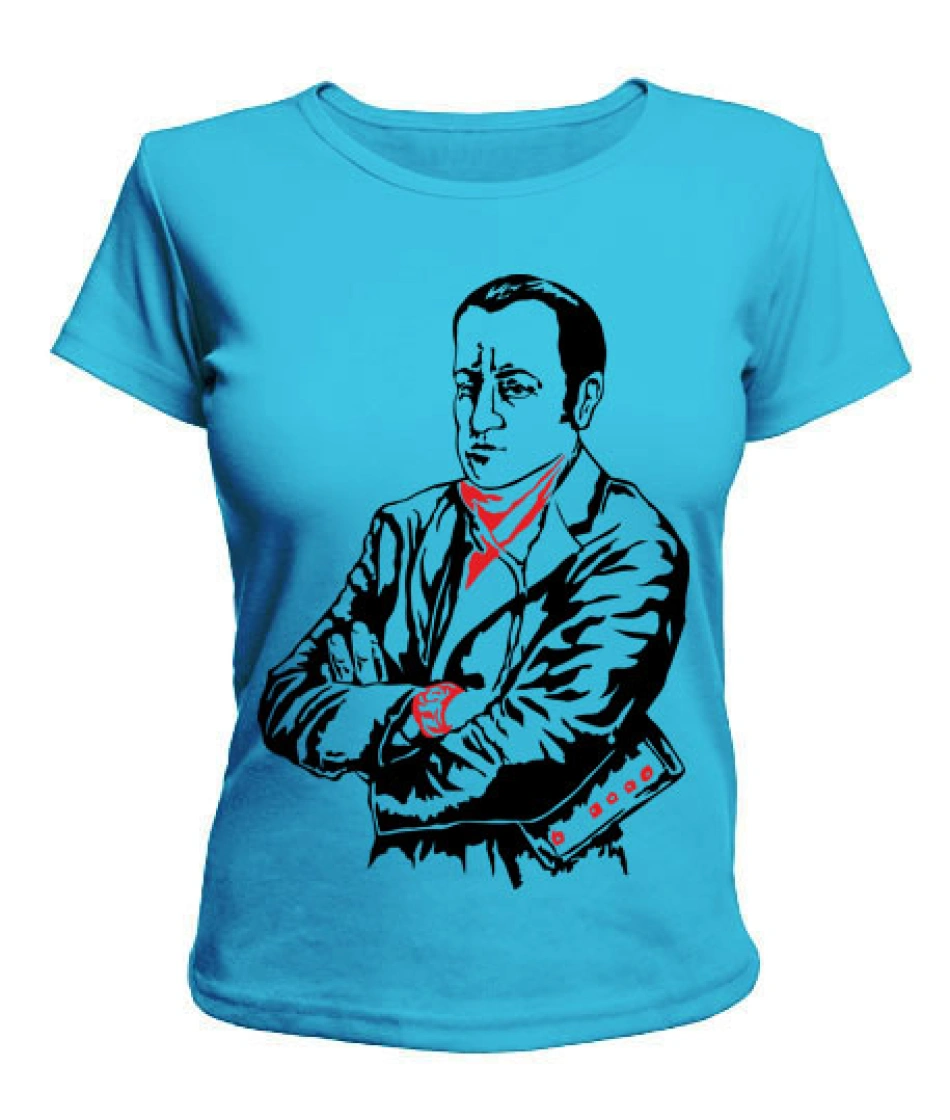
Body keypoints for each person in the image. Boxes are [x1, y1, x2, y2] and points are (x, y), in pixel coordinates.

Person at [258, 274, 690, 887]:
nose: (481, 416)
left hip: (560, 886)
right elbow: (286, 699)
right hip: (384, 887)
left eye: (514, 388)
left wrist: (375, 765)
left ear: (583, 400)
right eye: (468, 385)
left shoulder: (632, 544)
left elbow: (544, 749)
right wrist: (422, 711)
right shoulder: (405, 528)